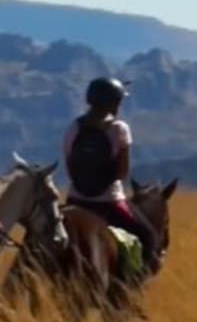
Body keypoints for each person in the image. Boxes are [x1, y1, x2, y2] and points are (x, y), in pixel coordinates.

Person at [62, 76, 160, 278]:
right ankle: (132, 287)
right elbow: (123, 173)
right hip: (109, 203)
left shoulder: (75, 127)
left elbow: (70, 165)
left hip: (75, 200)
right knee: (149, 236)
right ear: (113, 103)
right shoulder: (119, 129)